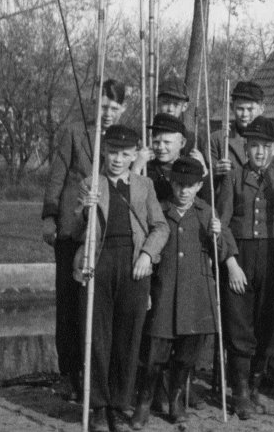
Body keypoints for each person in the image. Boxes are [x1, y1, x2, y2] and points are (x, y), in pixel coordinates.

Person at [130, 157, 240, 428]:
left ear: (200, 185)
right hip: (164, 291)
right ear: (171, 182)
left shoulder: (206, 212)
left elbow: (223, 252)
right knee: (155, 353)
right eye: (179, 184)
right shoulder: (159, 209)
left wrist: (216, 235)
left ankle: (176, 400)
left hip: (197, 294)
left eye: (190, 186)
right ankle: (144, 402)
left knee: (186, 356)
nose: (183, 191)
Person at [73, 125, 169, 431]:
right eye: (113, 152)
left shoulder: (144, 185)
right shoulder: (91, 183)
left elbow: (161, 227)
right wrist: (85, 212)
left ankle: (118, 403)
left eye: (125, 154)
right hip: (99, 264)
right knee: (98, 337)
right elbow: (77, 231)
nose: (118, 159)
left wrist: (147, 255)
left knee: (128, 339)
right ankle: (99, 405)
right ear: (104, 151)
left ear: (134, 155)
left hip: (134, 266)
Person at [42, 78, 127, 403]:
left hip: (104, 233)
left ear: (123, 109)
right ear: (96, 103)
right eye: (103, 107)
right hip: (72, 230)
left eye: (114, 108)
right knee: (67, 302)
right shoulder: (74, 133)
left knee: (96, 307)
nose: (108, 113)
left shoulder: (122, 139)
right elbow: (56, 177)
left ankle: (97, 374)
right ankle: (70, 374)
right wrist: (50, 217)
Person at [216, 116, 274, 419]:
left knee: (266, 325)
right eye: (254, 146)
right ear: (245, 148)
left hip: (273, 256)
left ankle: (254, 388)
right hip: (241, 256)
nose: (260, 152)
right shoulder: (233, 178)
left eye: (266, 146)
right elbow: (221, 225)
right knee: (239, 326)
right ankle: (238, 394)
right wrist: (231, 263)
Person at [134, 113, 209, 202]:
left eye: (167, 142)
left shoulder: (189, 167)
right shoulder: (145, 167)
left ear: (182, 143)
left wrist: (204, 171)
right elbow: (133, 199)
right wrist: (136, 168)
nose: (160, 147)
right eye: (156, 142)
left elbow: (206, 200)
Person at [210, 81, 268, 175]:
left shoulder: (271, 143)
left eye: (250, 109)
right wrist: (214, 173)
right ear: (232, 107)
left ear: (262, 109)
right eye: (240, 109)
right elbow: (201, 183)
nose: (244, 114)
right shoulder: (217, 140)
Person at [154, 77, 206, 156]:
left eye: (176, 104)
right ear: (158, 103)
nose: (170, 109)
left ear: (184, 106)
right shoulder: (147, 134)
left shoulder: (192, 140)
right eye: (165, 102)